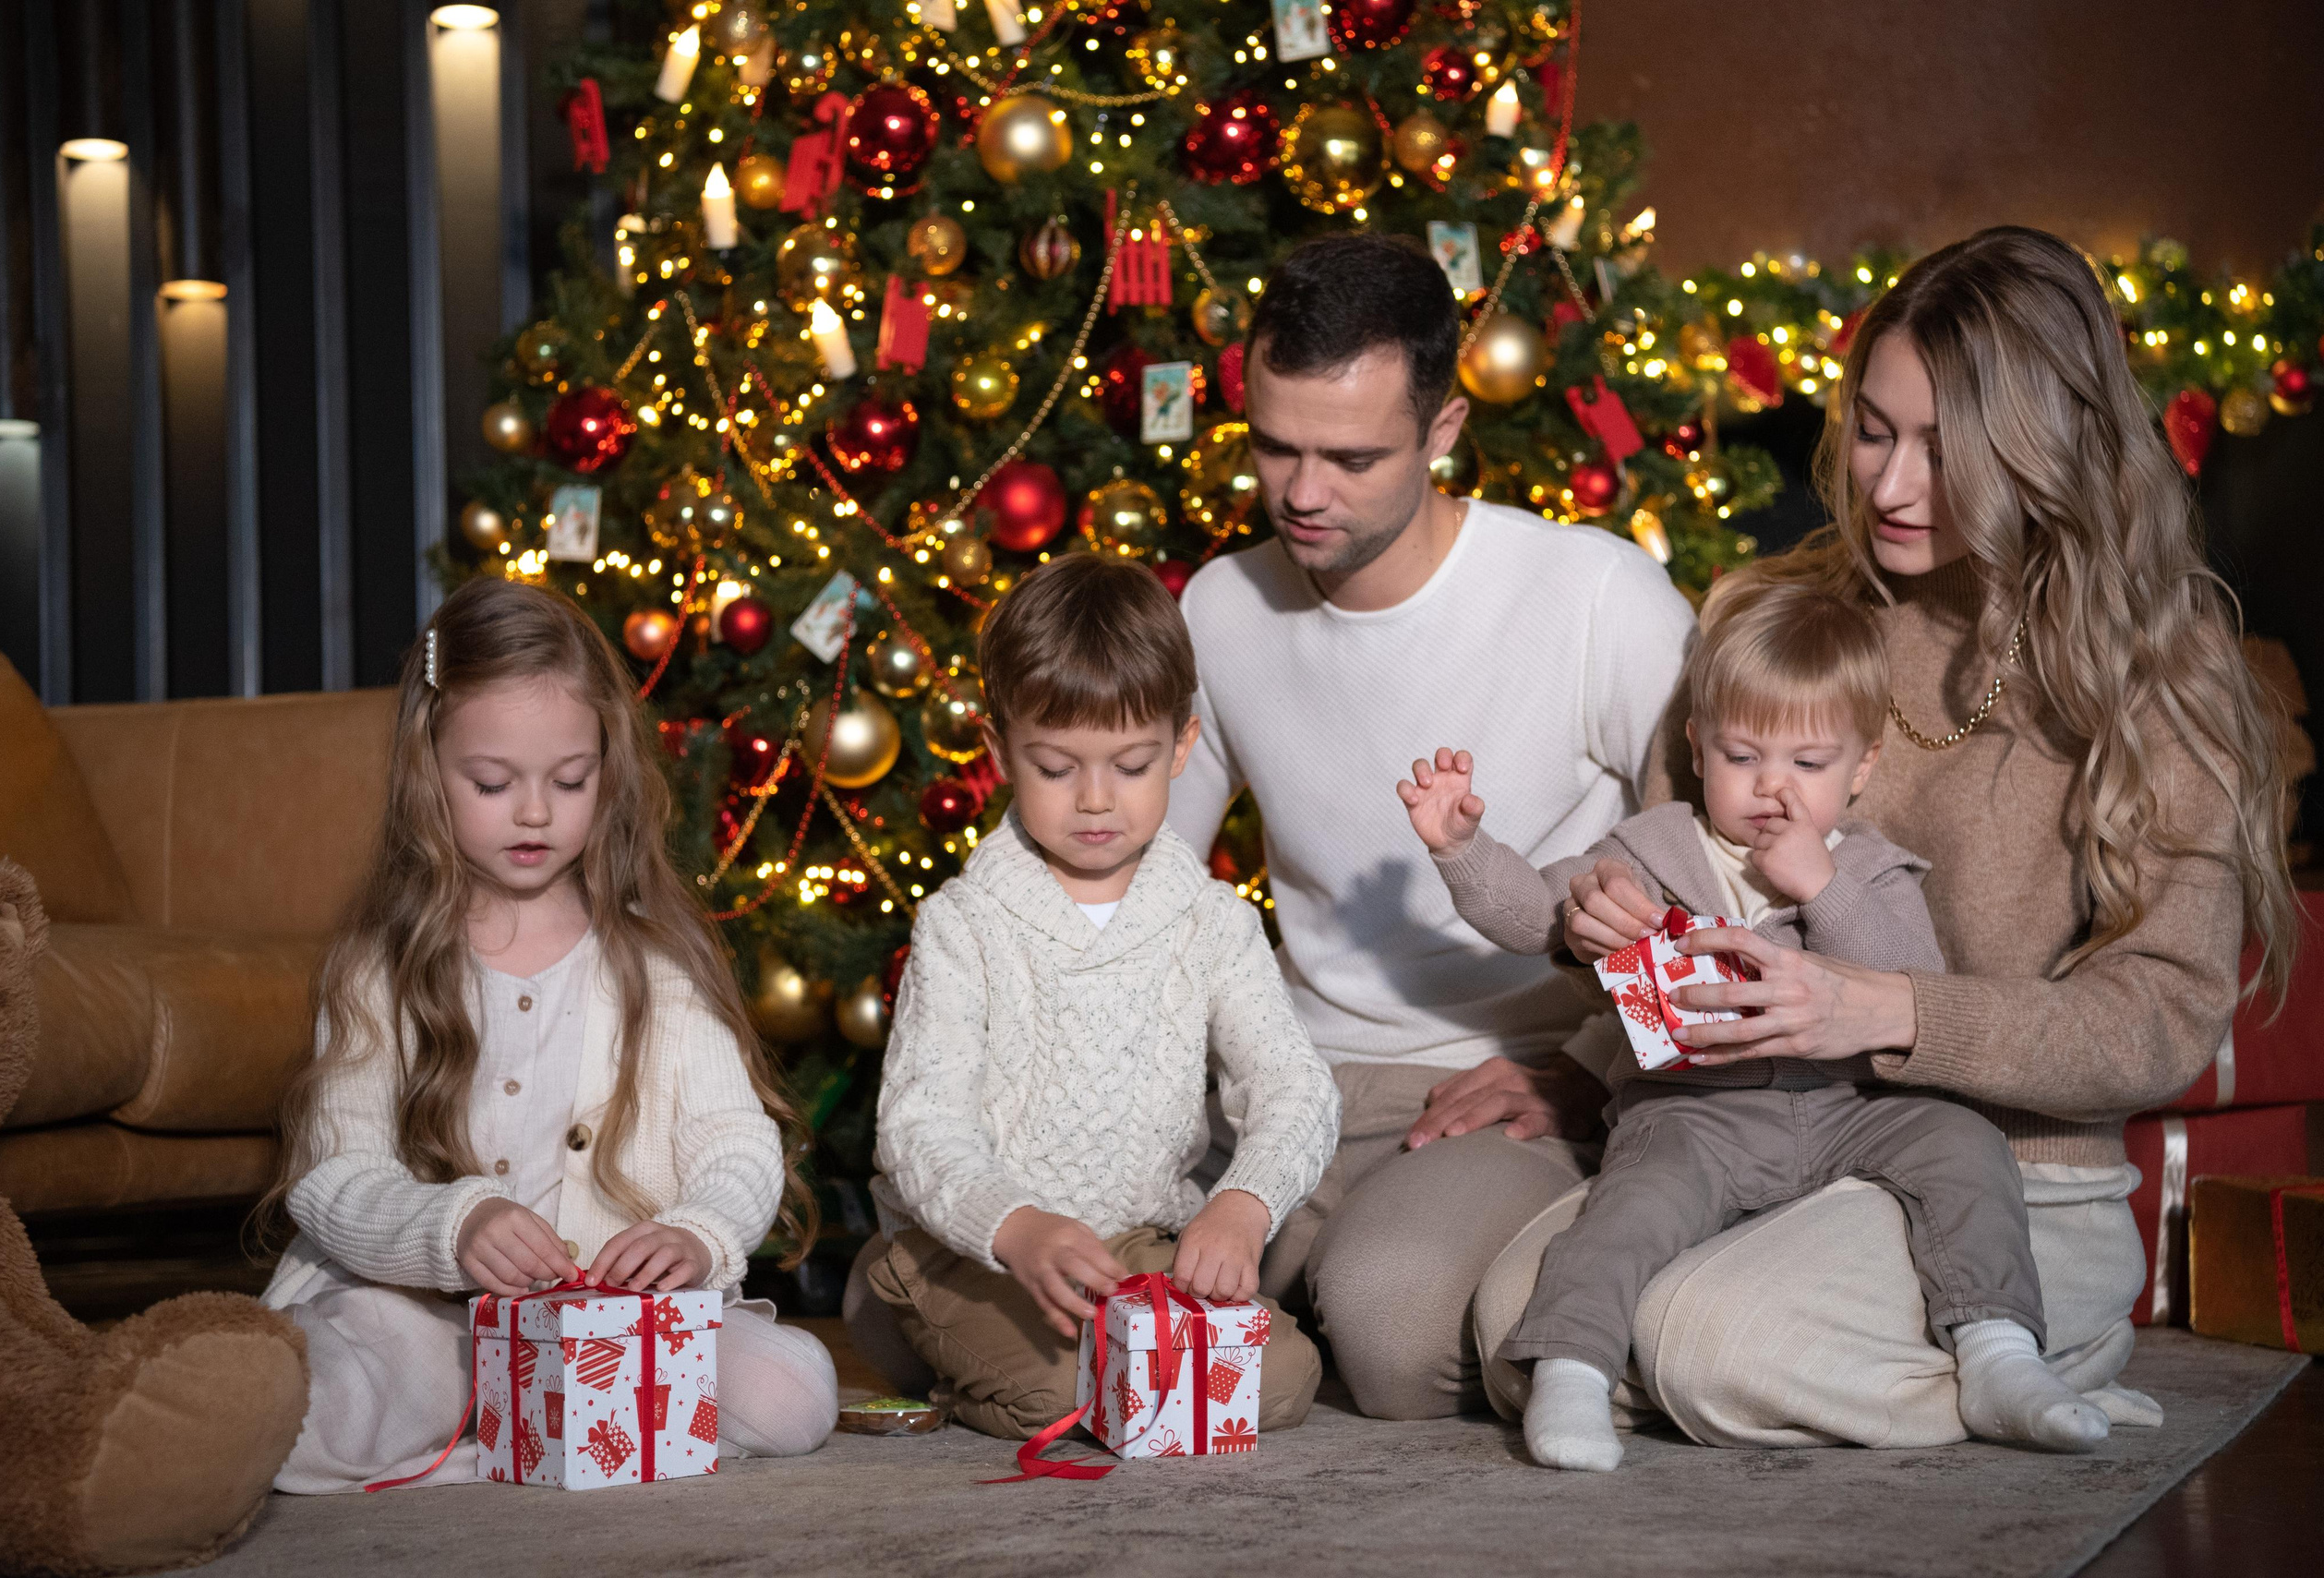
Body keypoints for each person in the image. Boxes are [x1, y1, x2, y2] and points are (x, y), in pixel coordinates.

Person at [1477, 223, 2298, 1450]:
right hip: (1745, 1130)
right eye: (1874, 430)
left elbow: (2161, 1021)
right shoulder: (1782, 617)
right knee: (1514, 1324)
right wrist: (1601, 964)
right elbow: (1680, 881)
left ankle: (2045, 1341)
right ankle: (1837, 1340)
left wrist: (1892, 1012)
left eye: (1947, 451)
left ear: (2050, 447)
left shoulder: (2161, 677)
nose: (1892, 486)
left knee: (1702, 1344)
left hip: (2003, 1172)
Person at [1166, 232, 1696, 1419]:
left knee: (1395, 1331)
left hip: (1506, 1085)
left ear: (1444, 427)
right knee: (1009, 1285)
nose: (1302, 493)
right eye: (1274, 446)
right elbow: (1141, 881)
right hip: (1286, 1085)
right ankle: (1314, 1284)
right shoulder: (1221, 606)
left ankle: (1399, 1277)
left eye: (1352, 457)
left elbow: (1715, 872)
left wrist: (1591, 1072)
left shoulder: (1596, 596)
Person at [1405, 577, 2108, 1470]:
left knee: (1965, 1146)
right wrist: (1463, 849)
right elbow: (1533, 913)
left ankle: (1999, 1352)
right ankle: (1572, 1371)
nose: (1774, 788)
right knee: (1631, 1205)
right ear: (1698, 747)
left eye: (1809, 765)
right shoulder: (1653, 849)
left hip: (1857, 1104)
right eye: (1743, 756)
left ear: (1861, 768)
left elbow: (1915, 982)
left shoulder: (1872, 868)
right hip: (1700, 1111)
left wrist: (1825, 886)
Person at [259, 578, 837, 1492]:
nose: (535, 811)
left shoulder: (656, 963)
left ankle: (529, 1421)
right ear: (426, 770)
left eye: (570, 780)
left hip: (616, 1320)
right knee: (308, 1408)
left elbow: (736, 1143)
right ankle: (526, 1421)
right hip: (431, 1312)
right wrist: (454, 1225)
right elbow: (332, 1181)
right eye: (492, 783)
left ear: (608, 771)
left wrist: (695, 1235)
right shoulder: (380, 970)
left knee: (793, 1393)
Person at [852, 553, 1340, 1440]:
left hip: (1136, 1246)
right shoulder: (965, 923)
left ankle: (974, 1349)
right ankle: (910, 1315)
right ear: (1000, 750)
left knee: (1277, 1377)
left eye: (1131, 763)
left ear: (1181, 746)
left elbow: (1293, 1085)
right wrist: (1014, 1226)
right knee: (1077, 1395)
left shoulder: (1209, 920)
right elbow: (919, 1123)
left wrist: (1245, 1201)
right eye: (1055, 766)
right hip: (985, 1249)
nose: (1094, 800)